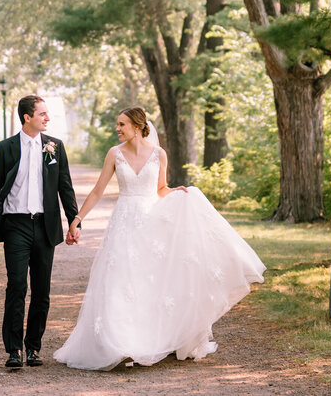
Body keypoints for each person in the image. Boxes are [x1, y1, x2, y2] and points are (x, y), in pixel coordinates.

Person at [54, 106, 265, 371]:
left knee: (148, 282)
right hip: (124, 224)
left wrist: (175, 192)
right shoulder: (114, 154)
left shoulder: (158, 154)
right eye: (117, 124)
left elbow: (160, 189)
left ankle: (145, 340)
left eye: (122, 124)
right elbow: (98, 191)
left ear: (137, 126)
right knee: (120, 281)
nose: (117, 129)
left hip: (151, 223)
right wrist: (77, 218)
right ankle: (119, 343)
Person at [0, 95, 80, 369]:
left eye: (47, 114)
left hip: (45, 226)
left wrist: (75, 221)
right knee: (16, 286)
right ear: (27, 117)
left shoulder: (54, 147)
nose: (48, 118)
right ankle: (14, 350)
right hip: (15, 226)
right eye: (43, 113)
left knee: (41, 291)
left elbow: (65, 187)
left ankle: (33, 348)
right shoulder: (5, 148)